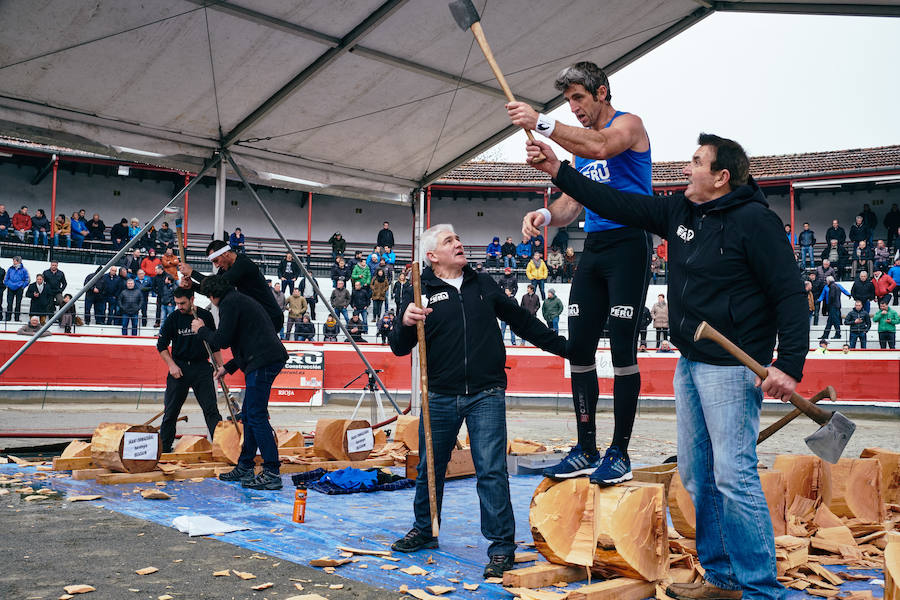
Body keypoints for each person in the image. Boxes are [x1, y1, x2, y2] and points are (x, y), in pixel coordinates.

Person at [525, 133, 807, 600]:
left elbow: (790, 294)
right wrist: (558, 170)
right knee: (698, 476)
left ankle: (762, 591)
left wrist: (789, 363)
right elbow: (615, 202)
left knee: (734, 477)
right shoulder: (679, 211)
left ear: (720, 177)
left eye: (695, 162)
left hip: (734, 369)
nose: (685, 169)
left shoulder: (756, 222)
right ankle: (723, 580)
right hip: (692, 363)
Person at [388, 224, 567, 579]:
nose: (458, 243)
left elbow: (522, 322)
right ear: (432, 256)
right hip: (438, 394)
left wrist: (565, 348)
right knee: (431, 468)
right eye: (449, 241)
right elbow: (397, 345)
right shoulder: (417, 290)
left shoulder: (484, 284)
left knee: (491, 470)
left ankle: (502, 547)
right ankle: (425, 529)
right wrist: (406, 321)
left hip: (486, 392)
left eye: (457, 237)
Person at [510, 61, 653, 485]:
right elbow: (572, 203)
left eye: (578, 98)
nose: (572, 107)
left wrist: (541, 122)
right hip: (595, 248)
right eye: (567, 100)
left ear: (602, 92)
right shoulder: (578, 149)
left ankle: (621, 452)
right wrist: (542, 213)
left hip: (630, 243)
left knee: (624, 351)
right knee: (579, 349)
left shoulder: (630, 126)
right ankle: (586, 447)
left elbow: (601, 146)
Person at [192, 274, 288, 490]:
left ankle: (272, 471)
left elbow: (222, 340)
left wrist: (201, 330)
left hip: (263, 361)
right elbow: (247, 339)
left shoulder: (229, 303)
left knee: (256, 416)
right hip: (262, 358)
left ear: (214, 296)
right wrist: (229, 367)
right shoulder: (236, 299)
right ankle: (245, 465)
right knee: (249, 415)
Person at [156, 287, 223, 453]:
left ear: (192, 299)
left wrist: (221, 367)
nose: (179, 306)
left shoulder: (205, 316)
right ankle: (164, 449)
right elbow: (161, 346)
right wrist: (172, 365)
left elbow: (214, 345)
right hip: (180, 368)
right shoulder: (173, 318)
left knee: (211, 410)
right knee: (171, 411)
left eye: (183, 303)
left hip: (201, 367)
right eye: (177, 303)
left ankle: (221, 447)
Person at [182, 240, 284, 331]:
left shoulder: (243, 264)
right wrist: (192, 286)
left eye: (216, 260)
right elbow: (213, 290)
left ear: (226, 253)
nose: (216, 265)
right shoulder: (225, 269)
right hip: (257, 317)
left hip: (270, 317)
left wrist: (192, 273)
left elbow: (215, 284)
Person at [819, 275, 850, 340]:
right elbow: (823, 295)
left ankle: (838, 334)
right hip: (836, 305)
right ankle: (825, 335)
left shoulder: (832, 286)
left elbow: (832, 296)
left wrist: (848, 294)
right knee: (829, 322)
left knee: (835, 321)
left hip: (833, 305)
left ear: (828, 281)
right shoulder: (832, 286)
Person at [5, 257, 29, 321]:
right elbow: (6, 278)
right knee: (9, 303)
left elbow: (27, 280)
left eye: (15, 261)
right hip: (10, 288)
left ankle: (17, 318)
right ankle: (8, 318)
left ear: (19, 262)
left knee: (18, 304)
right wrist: (8, 284)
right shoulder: (10, 269)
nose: (13, 262)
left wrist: (22, 286)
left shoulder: (24, 270)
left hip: (19, 288)